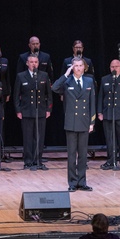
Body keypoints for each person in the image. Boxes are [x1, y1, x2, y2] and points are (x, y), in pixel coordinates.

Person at [51, 57, 96, 192]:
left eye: (80, 65)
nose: (78, 68)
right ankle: (72, 182)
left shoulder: (89, 81)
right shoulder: (67, 81)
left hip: (84, 122)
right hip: (71, 122)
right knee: (71, 155)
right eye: (75, 66)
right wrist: (66, 74)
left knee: (83, 154)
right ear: (72, 68)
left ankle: (82, 182)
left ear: (84, 67)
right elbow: (54, 87)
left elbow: (92, 103)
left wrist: (92, 122)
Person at [13, 54, 52, 170]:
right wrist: (18, 110)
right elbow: (16, 95)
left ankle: (38, 160)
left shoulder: (44, 75)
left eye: (35, 62)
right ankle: (28, 161)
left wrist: (48, 109)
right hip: (26, 111)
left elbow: (48, 94)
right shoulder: (21, 76)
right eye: (31, 62)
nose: (34, 64)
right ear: (27, 63)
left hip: (40, 110)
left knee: (39, 137)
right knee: (28, 137)